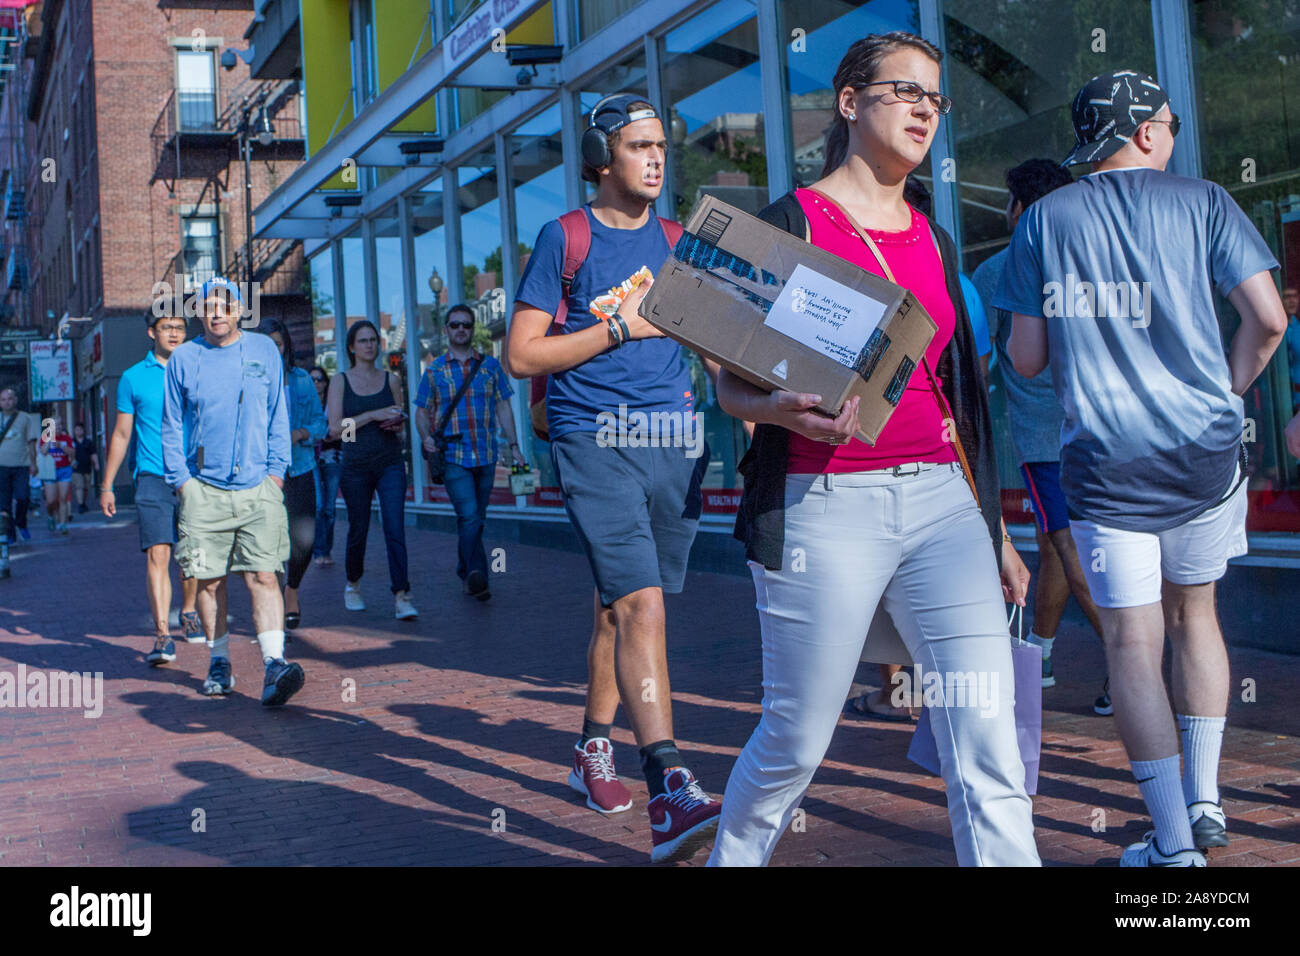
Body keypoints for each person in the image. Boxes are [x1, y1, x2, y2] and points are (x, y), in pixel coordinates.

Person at [707, 32, 1039, 868]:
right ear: (850, 103)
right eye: (907, 91)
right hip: (824, 506)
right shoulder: (785, 225)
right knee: (795, 736)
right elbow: (728, 388)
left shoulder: (933, 236)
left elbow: (957, 397)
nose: (927, 108)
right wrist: (775, 409)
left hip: (942, 504)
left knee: (986, 735)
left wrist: (993, 528)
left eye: (937, 98)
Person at [1001, 70, 1287, 866]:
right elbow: (1266, 320)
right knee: (1198, 616)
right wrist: (1221, 393)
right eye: (1168, 122)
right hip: (1203, 457)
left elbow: (1025, 360)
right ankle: (1206, 802)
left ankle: (1171, 844)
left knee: (1131, 641)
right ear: (1148, 132)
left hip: (1104, 464)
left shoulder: (1045, 220)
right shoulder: (1204, 202)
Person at [506, 92, 722, 863]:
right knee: (643, 605)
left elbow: (715, 346)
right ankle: (669, 786)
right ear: (602, 158)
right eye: (639, 146)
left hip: (672, 439)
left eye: (662, 145)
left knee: (616, 607)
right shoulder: (563, 237)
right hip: (593, 439)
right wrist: (619, 327)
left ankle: (590, 749)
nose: (656, 158)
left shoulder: (677, 239)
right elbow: (522, 355)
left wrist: (771, 407)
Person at [971, 159, 1111, 712]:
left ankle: (1137, 671)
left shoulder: (999, 271)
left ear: (1022, 210)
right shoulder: (1096, 259)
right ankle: (1042, 655)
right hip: (1106, 434)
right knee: (1056, 548)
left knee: (1073, 552)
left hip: (1048, 444)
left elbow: (979, 368)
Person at [162, 277, 306, 706]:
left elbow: (280, 413)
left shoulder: (264, 350)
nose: (217, 311)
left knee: (264, 575)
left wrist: (277, 474)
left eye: (225, 304)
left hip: (259, 487)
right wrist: (182, 483)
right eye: (208, 305)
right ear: (199, 311)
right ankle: (219, 659)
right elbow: (171, 425)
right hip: (203, 489)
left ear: (240, 309)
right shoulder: (184, 358)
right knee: (208, 582)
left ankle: (274, 664)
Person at [103, 312, 206, 662]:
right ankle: (163, 634)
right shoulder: (132, 378)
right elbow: (121, 433)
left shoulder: (198, 369)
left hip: (194, 476)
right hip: (152, 476)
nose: (174, 334)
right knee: (158, 554)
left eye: (179, 327)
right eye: (167, 328)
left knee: (191, 556)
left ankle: (189, 611)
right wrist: (107, 485)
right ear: (152, 332)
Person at [415, 305, 523, 601]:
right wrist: (426, 438)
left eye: (466, 325)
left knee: (476, 518)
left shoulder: (490, 367)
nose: (461, 329)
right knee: (470, 515)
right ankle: (479, 576)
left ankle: (466, 569)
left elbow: (503, 407)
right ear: (447, 330)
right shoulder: (435, 370)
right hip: (453, 456)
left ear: (472, 329)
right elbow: (422, 411)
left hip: (486, 454)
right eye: (455, 325)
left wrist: (514, 446)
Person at [326, 320, 417, 620]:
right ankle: (353, 584)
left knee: (394, 528)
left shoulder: (390, 380)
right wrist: (371, 415)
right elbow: (337, 430)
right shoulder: (341, 381)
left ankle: (402, 595)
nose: (369, 345)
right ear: (352, 347)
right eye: (363, 341)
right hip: (355, 466)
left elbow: (399, 420)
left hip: (389, 461)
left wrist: (395, 422)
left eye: (374, 340)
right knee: (359, 529)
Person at [259, 319, 327, 630]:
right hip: (262, 473)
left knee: (305, 540)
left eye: (278, 343)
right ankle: (276, 601)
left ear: (286, 346)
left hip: (299, 468)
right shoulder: (250, 382)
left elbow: (320, 425)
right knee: (268, 543)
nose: (274, 349)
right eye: (267, 344)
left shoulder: (301, 380)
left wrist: (300, 433)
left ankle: (292, 588)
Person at [0, 387, 39, 555]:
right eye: (3, 399)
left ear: (15, 400)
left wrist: (34, 463)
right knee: (4, 503)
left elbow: (31, 442)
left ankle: (21, 523)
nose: (7, 402)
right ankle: (10, 534)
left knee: (23, 497)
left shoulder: (25, 418)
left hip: (21, 465)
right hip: (1, 467)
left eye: (9, 398)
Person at [311, 366, 342, 567]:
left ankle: (326, 549)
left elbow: (348, 432)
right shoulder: (305, 404)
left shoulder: (335, 403)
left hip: (333, 458)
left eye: (320, 379)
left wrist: (332, 434)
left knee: (330, 508)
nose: (316, 384)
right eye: (312, 380)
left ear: (325, 382)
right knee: (319, 505)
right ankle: (318, 550)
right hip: (310, 459)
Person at [38, 416, 74, 534]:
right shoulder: (44, 438)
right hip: (50, 471)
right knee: (50, 501)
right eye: (55, 425)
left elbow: (72, 453)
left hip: (64, 469)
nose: (58, 428)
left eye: (59, 425)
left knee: (63, 498)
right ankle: (50, 516)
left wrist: (62, 446)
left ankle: (63, 524)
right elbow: (43, 452)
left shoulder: (67, 438)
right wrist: (50, 440)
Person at [71, 424, 98, 515]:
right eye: (76, 430)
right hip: (76, 468)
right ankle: (80, 504)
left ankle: (83, 502)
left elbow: (93, 454)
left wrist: (96, 464)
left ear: (83, 431)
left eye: (80, 430)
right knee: (79, 486)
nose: (78, 432)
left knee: (86, 487)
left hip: (87, 467)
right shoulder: (71, 442)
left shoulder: (88, 442)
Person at [1283, 286, 1299, 413]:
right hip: (1282, 401)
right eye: (1287, 297)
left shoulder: (1298, 328)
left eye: (1294, 296)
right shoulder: (1276, 329)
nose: (1292, 301)